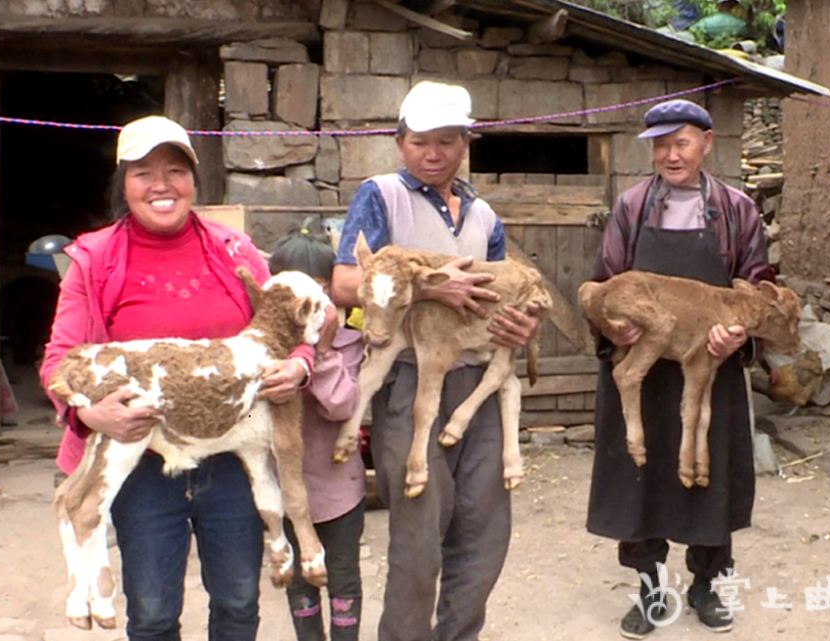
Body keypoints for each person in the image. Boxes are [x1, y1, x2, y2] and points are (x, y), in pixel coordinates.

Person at [40, 115, 317, 641]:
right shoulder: (95, 259)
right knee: (151, 611)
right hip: (142, 459)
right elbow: (59, 360)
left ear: (193, 180)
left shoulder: (234, 250)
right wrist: (89, 412)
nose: (162, 185)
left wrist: (298, 366)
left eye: (175, 170)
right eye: (144, 172)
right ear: (124, 184)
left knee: (238, 601)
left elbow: (290, 326)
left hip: (230, 454)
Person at [331, 81, 540, 641]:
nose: (432, 153)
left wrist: (520, 326)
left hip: (479, 392)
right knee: (419, 541)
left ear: (464, 143)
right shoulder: (380, 196)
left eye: (446, 141)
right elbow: (347, 283)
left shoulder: (484, 215)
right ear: (400, 143)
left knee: (484, 534)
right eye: (420, 141)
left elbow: (497, 294)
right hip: (410, 381)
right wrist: (426, 290)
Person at [584, 99, 774, 639]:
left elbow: (756, 286)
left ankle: (707, 585)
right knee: (638, 480)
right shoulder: (631, 206)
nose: (671, 154)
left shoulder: (737, 210)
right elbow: (603, 283)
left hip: (708, 365)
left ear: (706, 144)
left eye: (682, 142)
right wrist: (613, 326)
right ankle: (650, 590)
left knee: (709, 479)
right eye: (660, 145)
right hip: (641, 368)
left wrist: (735, 334)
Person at [268, 225, 366, 641]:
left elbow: (343, 407)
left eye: (322, 291)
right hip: (284, 494)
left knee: (342, 581)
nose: (311, 304)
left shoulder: (351, 343)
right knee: (300, 586)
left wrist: (321, 353)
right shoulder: (265, 348)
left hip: (340, 490)